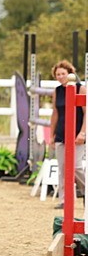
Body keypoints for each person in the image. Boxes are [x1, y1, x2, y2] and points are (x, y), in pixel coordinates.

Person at [51, 59, 85, 199]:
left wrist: (83, 132)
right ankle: (64, 198)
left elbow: (86, 113)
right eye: (58, 74)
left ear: (70, 73)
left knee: (76, 166)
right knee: (62, 168)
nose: (60, 77)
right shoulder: (57, 91)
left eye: (63, 73)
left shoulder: (81, 89)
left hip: (77, 132)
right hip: (61, 132)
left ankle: (85, 190)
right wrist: (52, 134)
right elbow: (55, 113)